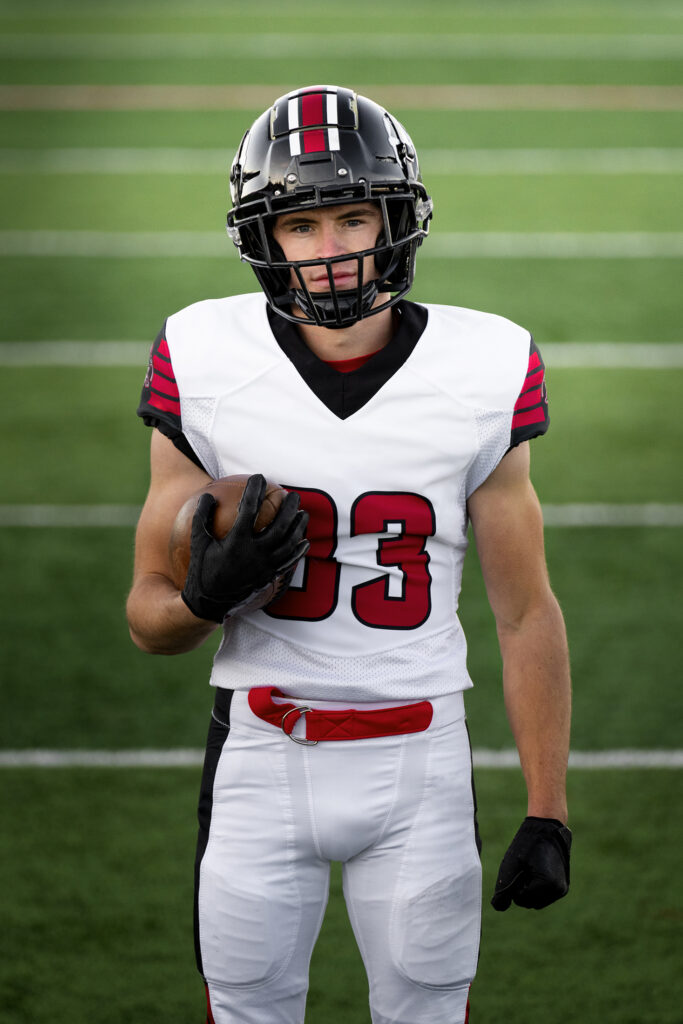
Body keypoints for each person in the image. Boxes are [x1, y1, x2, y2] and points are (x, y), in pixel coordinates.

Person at [126, 84, 572, 1024]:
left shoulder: (481, 367)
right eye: (302, 224)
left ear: (395, 219)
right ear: (266, 238)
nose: (331, 249)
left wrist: (547, 807)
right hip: (257, 747)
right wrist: (204, 601)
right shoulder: (203, 354)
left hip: (420, 761)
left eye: (353, 216)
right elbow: (148, 621)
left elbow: (524, 608)